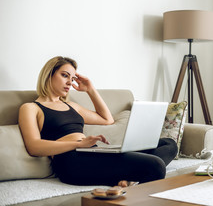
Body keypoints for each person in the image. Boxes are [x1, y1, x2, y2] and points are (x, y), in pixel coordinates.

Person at [18, 56, 177, 186]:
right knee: (155, 166)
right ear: (49, 74)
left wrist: (90, 89)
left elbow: (107, 120)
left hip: (92, 154)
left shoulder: (72, 105)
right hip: (71, 162)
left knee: (169, 144)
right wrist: (79, 144)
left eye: (72, 78)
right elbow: (34, 146)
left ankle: (128, 179)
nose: (69, 82)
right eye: (64, 75)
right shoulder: (31, 108)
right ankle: (133, 178)